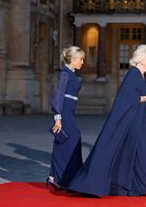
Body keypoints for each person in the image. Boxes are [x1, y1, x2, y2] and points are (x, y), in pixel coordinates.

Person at [69, 44, 146, 197]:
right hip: (130, 122)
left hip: (139, 121)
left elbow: (144, 92)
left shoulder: (143, 76)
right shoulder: (133, 74)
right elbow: (127, 98)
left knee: (141, 151)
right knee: (141, 150)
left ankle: (139, 186)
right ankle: (145, 187)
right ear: (142, 59)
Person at [47, 46, 85, 191]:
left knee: (63, 141)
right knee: (71, 139)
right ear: (74, 59)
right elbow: (58, 95)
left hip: (69, 111)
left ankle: (56, 178)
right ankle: (57, 177)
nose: (82, 62)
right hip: (64, 113)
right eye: (81, 59)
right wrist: (58, 118)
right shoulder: (65, 73)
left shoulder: (71, 73)